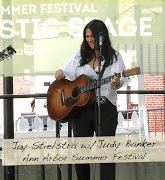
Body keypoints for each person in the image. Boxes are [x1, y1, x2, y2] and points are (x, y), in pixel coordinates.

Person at [54, 19, 127, 180]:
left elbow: (121, 81)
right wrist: (59, 72)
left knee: (106, 154)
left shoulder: (114, 57)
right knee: (81, 154)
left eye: (92, 36)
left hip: (105, 108)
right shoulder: (79, 55)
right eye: (86, 36)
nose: (89, 39)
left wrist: (117, 82)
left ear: (101, 36)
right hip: (81, 109)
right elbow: (64, 71)